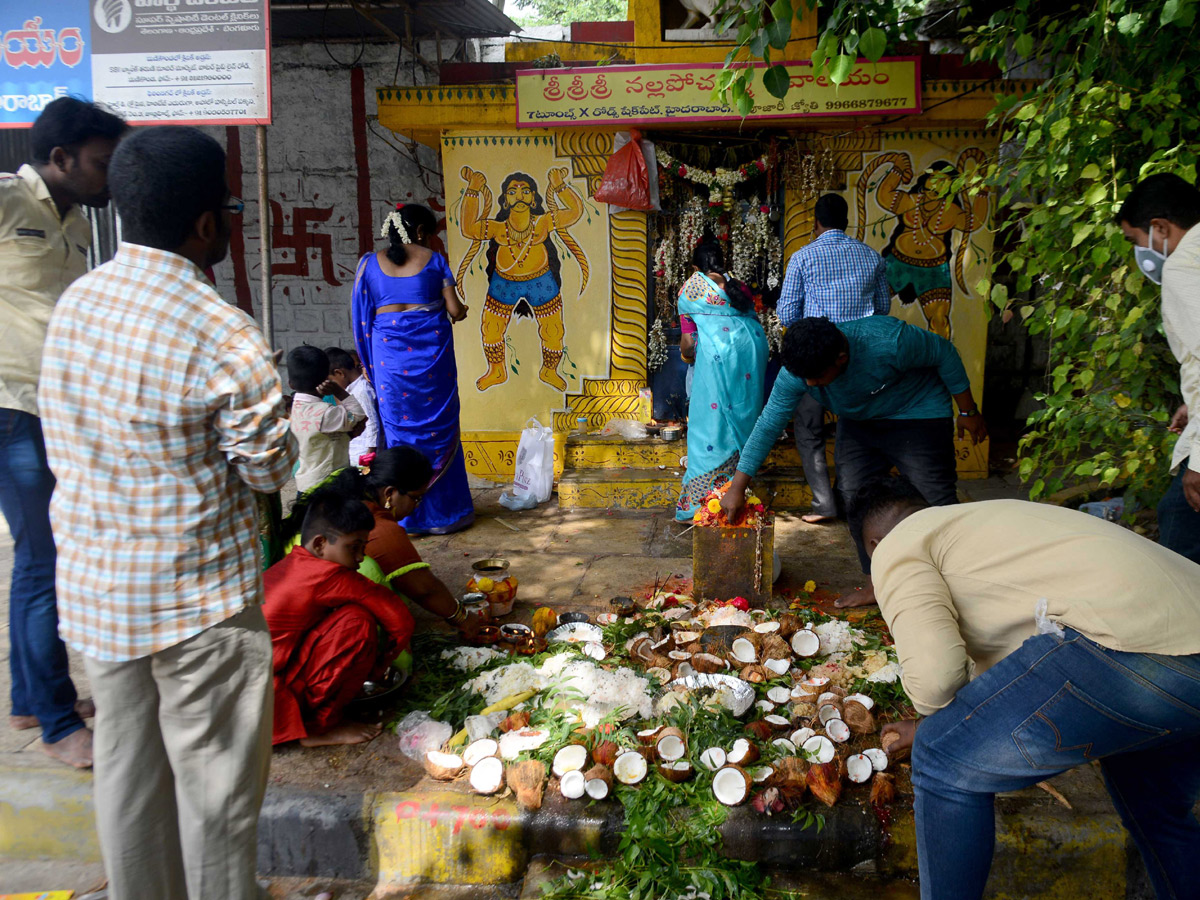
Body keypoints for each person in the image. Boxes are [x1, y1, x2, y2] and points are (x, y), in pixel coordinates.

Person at [38, 125, 296, 900]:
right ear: (209, 226)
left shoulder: (76, 304)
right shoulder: (224, 334)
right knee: (214, 797)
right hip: (198, 605)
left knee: (126, 778)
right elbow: (270, 469)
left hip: (100, 597)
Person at [851, 477, 1200, 900]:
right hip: (1179, 642)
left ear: (872, 544)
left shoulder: (896, 543)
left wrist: (927, 724)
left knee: (942, 758)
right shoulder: (991, 520)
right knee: (1155, 810)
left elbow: (935, 681)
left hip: (1132, 644)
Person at [0, 97, 125, 768]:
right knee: (44, 559)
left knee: (41, 554)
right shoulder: (5, 203)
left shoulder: (77, 225)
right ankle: (55, 721)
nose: (107, 176)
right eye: (100, 163)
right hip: (8, 405)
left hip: (55, 406)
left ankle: (29, 696)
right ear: (59, 158)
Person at [720, 315, 986, 605]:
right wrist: (737, 486)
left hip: (917, 412)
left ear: (842, 358)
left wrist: (968, 412)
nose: (810, 384)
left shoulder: (890, 342)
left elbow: (944, 353)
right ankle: (877, 582)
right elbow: (769, 423)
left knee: (935, 498)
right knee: (854, 495)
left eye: (817, 378)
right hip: (859, 421)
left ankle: (959, 583)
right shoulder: (799, 373)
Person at [353, 202, 475, 535]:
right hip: (433, 365)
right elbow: (455, 310)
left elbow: (362, 318)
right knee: (441, 430)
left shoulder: (368, 264)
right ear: (420, 231)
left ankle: (404, 517)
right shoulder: (435, 261)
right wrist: (461, 309)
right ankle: (446, 514)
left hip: (390, 366)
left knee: (400, 434)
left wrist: (367, 365)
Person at [264, 490, 414, 747]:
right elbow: (399, 619)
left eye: (363, 548)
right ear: (321, 544)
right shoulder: (328, 575)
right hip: (264, 693)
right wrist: (379, 666)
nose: (360, 558)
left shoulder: (295, 562)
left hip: (248, 681)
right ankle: (316, 730)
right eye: (353, 548)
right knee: (357, 622)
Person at [776, 193, 891, 524]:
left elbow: (786, 313)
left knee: (809, 429)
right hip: (859, 358)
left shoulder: (803, 257)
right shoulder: (872, 257)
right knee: (852, 428)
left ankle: (824, 503)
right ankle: (849, 500)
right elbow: (883, 309)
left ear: (815, 223)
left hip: (815, 358)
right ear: (847, 220)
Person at [284, 446, 483, 633]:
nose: (417, 506)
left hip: (293, 574)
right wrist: (462, 617)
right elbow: (424, 589)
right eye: (416, 498)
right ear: (390, 493)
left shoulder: (348, 480)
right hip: (318, 614)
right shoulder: (379, 527)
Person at [1116, 173, 1200, 564]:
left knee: (1181, 537)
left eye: (1136, 240)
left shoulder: (1184, 265)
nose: (1139, 253)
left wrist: (1199, 461)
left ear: (1161, 227)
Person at [675, 241, 768, 522]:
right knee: (741, 415)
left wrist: (687, 354)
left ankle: (704, 502)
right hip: (751, 355)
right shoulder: (739, 287)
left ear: (695, 268)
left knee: (709, 426)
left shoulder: (692, 289)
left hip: (715, 362)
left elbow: (689, 343)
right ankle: (739, 491)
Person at [288, 344, 365, 493]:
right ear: (326, 380)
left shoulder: (292, 409)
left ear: (290, 384)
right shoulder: (326, 413)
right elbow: (358, 415)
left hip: (305, 484)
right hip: (329, 486)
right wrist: (340, 392)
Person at [325, 345, 378, 467]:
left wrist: (369, 453)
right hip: (355, 452)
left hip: (362, 454)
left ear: (339, 373)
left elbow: (372, 423)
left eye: (332, 381)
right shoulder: (353, 390)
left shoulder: (362, 390)